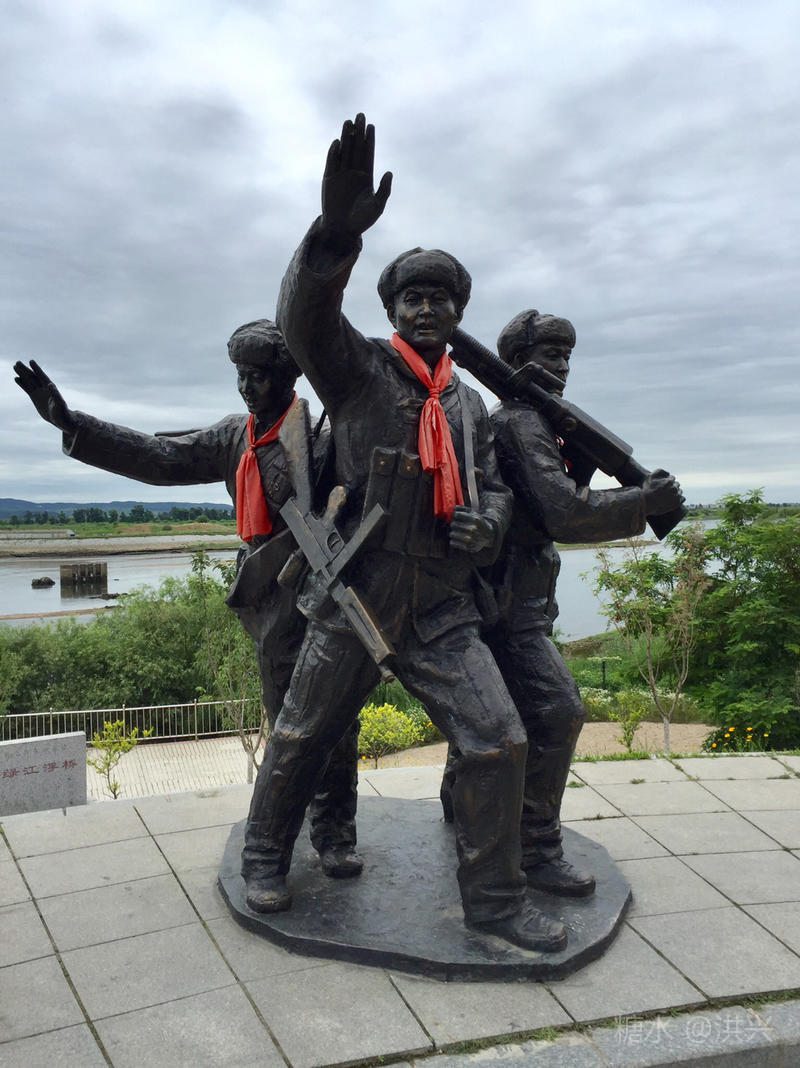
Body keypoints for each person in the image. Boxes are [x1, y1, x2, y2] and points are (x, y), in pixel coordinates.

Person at [241, 114, 566, 953]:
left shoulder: (468, 404)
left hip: (441, 603)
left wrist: (489, 522)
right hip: (358, 591)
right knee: (304, 734)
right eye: (413, 297)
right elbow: (304, 320)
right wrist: (334, 235)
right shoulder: (358, 371)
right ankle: (265, 854)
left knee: (499, 742)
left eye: (440, 298)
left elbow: (496, 487)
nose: (427, 308)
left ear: (457, 312)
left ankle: (494, 903)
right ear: (390, 309)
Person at [12, 320, 363, 877]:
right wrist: (73, 423)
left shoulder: (323, 436)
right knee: (287, 723)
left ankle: (336, 833)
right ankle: (284, 834)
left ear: (287, 377)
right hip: (269, 598)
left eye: (258, 376)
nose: (247, 387)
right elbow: (161, 457)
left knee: (338, 719)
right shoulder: (233, 436)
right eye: (240, 375)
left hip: (324, 592)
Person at [441, 309, 685, 895]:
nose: (563, 366)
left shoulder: (530, 422)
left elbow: (549, 502)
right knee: (556, 713)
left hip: (504, 592)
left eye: (567, 355)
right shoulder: (523, 423)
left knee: (497, 708)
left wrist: (592, 464)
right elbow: (564, 512)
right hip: (509, 599)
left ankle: (462, 810)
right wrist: (643, 502)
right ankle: (536, 848)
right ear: (517, 361)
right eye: (550, 354)